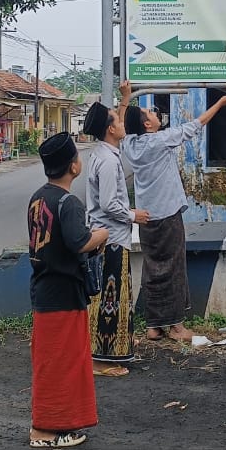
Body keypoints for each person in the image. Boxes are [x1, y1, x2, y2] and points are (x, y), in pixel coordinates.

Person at [122, 90, 226, 341]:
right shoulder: (160, 140)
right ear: (146, 125)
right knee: (173, 267)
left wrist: (124, 99)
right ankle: (176, 326)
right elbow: (196, 124)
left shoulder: (129, 145)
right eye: (149, 113)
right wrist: (219, 102)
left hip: (146, 217)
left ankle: (154, 325)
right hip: (167, 213)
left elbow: (123, 123)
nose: (154, 113)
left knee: (152, 267)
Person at [26, 132, 108, 449]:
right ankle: (46, 431)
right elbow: (79, 242)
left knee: (50, 361)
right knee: (62, 363)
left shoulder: (37, 197)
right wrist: (101, 235)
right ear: (73, 166)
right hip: (63, 293)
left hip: (44, 288)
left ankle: (53, 426)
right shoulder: (68, 202)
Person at [83, 83, 150, 375]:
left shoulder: (103, 152)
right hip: (111, 237)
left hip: (107, 235)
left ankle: (111, 350)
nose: (123, 124)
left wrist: (124, 99)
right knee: (109, 300)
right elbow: (110, 204)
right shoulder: (108, 162)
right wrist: (133, 214)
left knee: (110, 297)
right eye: (118, 120)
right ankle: (103, 359)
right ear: (111, 129)